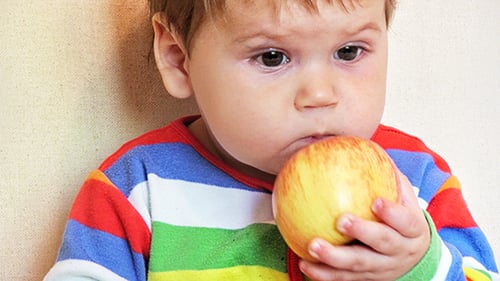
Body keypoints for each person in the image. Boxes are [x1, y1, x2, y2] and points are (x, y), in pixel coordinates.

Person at [44, 0, 499, 280]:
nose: (320, 95)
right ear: (178, 58)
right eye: (272, 56)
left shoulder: (414, 183)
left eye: (348, 52)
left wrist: (417, 267)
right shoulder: (136, 189)